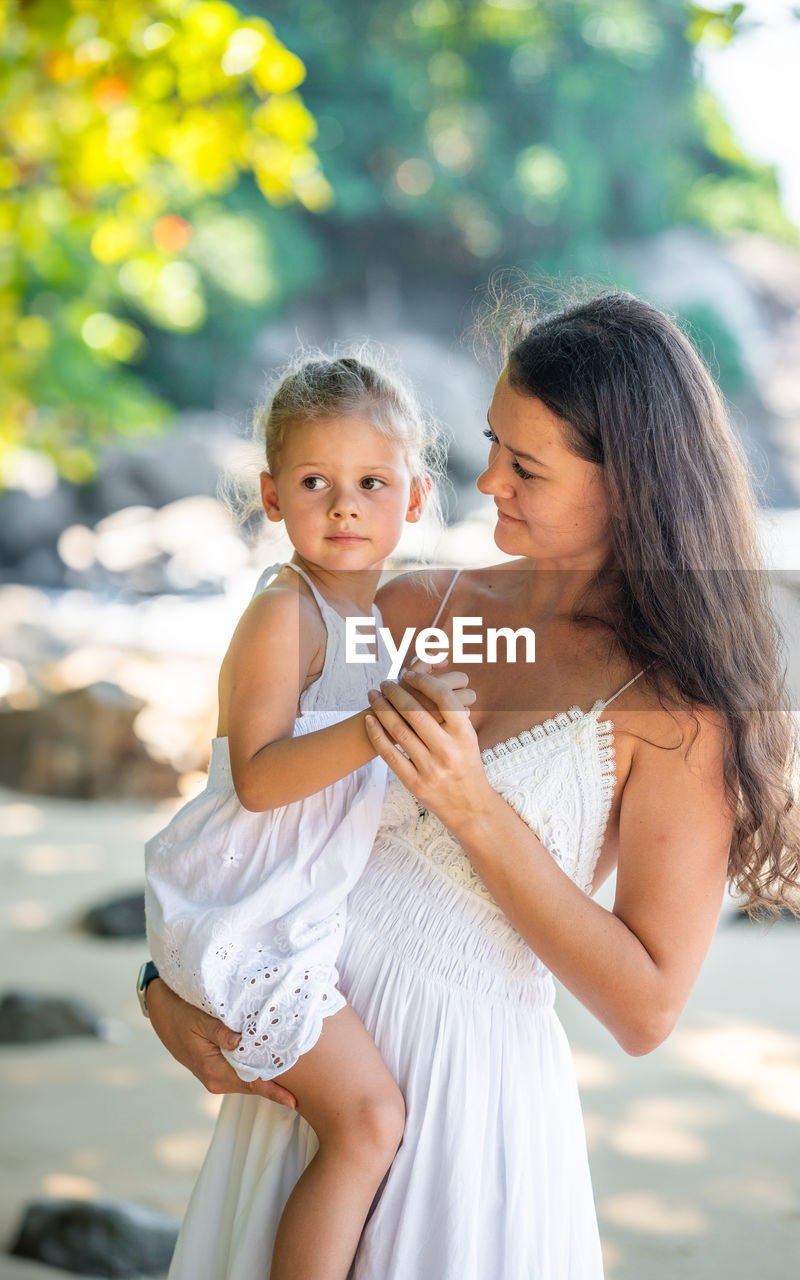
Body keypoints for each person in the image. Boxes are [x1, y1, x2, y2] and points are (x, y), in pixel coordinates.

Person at [146, 291, 800, 1280]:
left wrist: (470, 803)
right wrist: (164, 987)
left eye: (527, 465)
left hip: (466, 1098)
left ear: (626, 485)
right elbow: (251, 812)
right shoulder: (415, 604)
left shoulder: (674, 707)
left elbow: (644, 1008)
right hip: (309, 1064)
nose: (485, 477)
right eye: (491, 442)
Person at [143, 352, 474, 1280]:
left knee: (363, 1123)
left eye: (371, 482)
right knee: (368, 1124)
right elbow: (259, 778)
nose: (343, 507)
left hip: (291, 910)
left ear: (413, 500)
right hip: (244, 919)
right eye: (314, 482)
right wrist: (383, 724)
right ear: (270, 497)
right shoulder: (284, 614)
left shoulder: (371, 618)